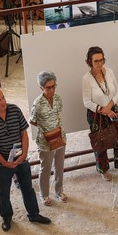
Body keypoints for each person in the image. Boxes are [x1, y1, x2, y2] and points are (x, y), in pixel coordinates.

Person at [0, 86, 52, 232]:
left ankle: (34, 214)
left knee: (27, 188)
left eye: (3, 97)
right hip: (2, 163)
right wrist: (4, 162)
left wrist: (24, 154)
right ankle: (6, 217)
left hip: (21, 158)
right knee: (4, 192)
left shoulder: (14, 110)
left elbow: (23, 134)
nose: (3, 102)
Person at [81, 46, 118, 180]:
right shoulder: (86, 79)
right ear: (90, 62)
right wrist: (104, 110)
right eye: (96, 61)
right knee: (100, 141)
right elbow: (86, 102)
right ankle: (103, 169)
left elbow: (117, 92)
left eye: (101, 60)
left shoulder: (110, 72)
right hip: (96, 114)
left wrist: (110, 107)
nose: (99, 64)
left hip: (113, 109)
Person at [29, 71, 67, 206]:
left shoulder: (58, 99)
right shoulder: (38, 104)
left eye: (53, 86)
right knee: (46, 168)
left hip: (60, 137)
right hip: (45, 142)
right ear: (41, 88)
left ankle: (59, 191)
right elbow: (32, 121)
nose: (51, 90)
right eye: (48, 88)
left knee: (59, 166)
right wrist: (46, 128)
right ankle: (44, 194)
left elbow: (58, 113)